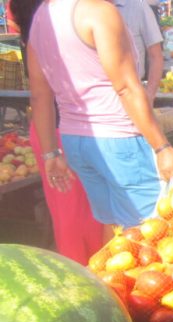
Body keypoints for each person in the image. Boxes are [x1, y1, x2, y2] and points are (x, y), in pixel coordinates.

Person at [27, 0, 173, 235]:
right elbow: (125, 87)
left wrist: (51, 153)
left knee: (114, 227)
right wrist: (162, 147)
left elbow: (40, 96)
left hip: (76, 141)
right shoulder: (98, 12)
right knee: (152, 231)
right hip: (120, 140)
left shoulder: (42, 16)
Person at [10, 0, 102, 264]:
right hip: (77, 127)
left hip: (51, 131)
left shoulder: (36, 31)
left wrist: (49, 148)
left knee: (68, 215)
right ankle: (102, 277)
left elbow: (39, 98)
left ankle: (83, 278)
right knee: (91, 213)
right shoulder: (71, 20)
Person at [111, 0, 164, 105]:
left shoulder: (138, 6)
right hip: (96, 100)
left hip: (131, 97)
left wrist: (149, 96)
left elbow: (156, 56)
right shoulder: (85, 8)